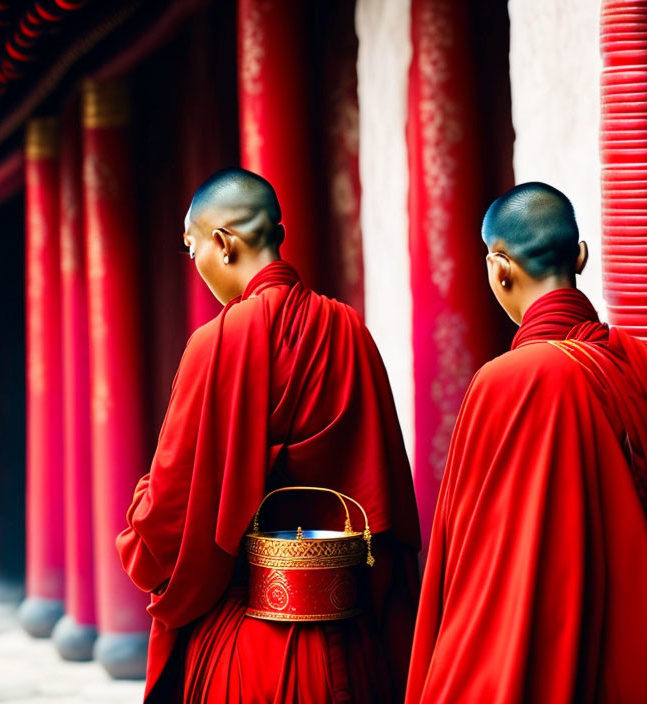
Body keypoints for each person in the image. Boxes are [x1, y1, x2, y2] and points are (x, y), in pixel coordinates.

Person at [405, 182, 647, 703]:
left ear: (499, 268)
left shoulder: (511, 381)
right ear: (580, 256)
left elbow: (482, 590)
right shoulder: (646, 367)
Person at [117, 168, 420, 703]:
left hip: (245, 649)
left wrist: (140, 511)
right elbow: (387, 499)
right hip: (352, 642)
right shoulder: (350, 329)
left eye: (193, 252)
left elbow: (166, 519)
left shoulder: (216, 344)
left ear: (223, 243)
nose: (199, 268)